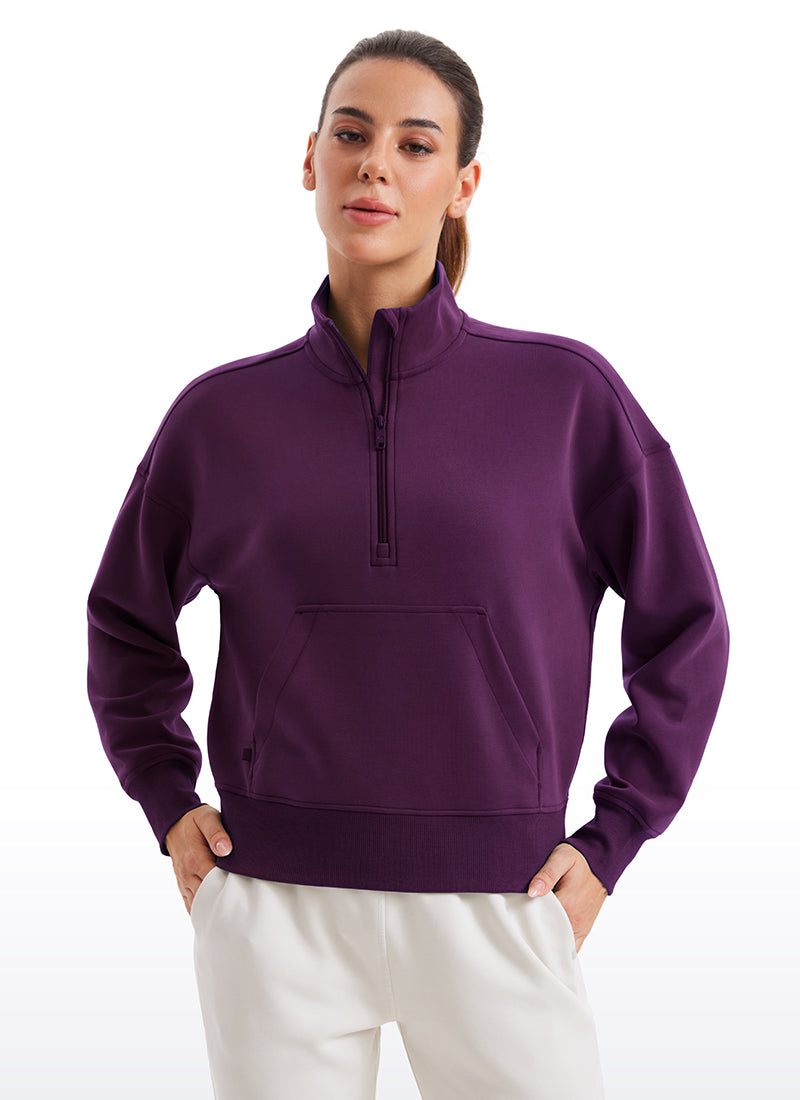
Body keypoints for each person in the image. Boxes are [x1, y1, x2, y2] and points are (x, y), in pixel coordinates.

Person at [86, 28, 729, 1100]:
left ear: (463, 183)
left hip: (504, 898)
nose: (375, 164)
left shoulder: (565, 397)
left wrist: (615, 834)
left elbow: (687, 625)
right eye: (351, 134)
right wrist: (164, 794)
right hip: (273, 901)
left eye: (415, 144)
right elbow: (125, 619)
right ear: (310, 159)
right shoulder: (221, 415)